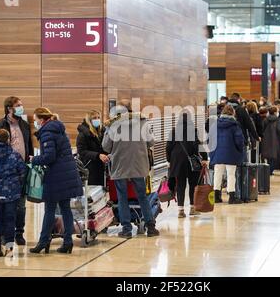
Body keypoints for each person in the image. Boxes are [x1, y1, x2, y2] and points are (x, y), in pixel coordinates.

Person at [29, 108, 83, 254]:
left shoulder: (47, 133)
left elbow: (49, 157)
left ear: (41, 119)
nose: (34, 122)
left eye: (35, 119)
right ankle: (67, 242)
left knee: (49, 210)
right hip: (66, 174)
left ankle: (43, 241)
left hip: (56, 176)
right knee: (65, 209)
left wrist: (34, 159)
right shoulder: (58, 129)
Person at [102, 101, 159, 238]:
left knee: (122, 198)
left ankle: (126, 229)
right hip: (139, 165)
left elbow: (106, 147)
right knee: (142, 197)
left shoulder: (113, 125)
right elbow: (151, 141)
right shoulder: (142, 122)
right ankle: (150, 227)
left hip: (120, 165)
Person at [0, 96, 33, 246]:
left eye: (21, 105)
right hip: (4, 173)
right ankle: (2, 236)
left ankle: (19, 232)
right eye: (18, 105)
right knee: (3, 207)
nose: (21, 107)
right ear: (9, 108)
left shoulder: (25, 125)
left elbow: (29, 146)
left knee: (21, 205)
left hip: (21, 170)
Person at [0, 129, 27, 258]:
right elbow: (23, 172)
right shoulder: (15, 155)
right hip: (12, 192)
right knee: (10, 220)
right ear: (8, 139)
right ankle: (9, 249)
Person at [166, 111, 208, 217]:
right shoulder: (193, 130)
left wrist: (169, 161)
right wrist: (204, 157)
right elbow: (197, 144)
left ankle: (180, 210)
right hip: (191, 160)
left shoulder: (174, 131)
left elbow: (168, 147)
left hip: (177, 160)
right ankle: (192, 208)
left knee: (180, 184)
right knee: (193, 184)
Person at [209, 105, 245, 204]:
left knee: (217, 174)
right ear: (232, 113)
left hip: (217, 153)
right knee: (231, 175)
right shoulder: (235, 125)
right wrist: (240, 149)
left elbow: (210, 140)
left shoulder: (214, 124)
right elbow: (239, 140)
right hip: (231, 153)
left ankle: (216, 196)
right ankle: (232, 197)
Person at [76, 110, 109, 185]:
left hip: (101, 166)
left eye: (98, 117)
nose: (97, 120)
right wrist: (98, 155)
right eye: (94, 118)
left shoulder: (102, 131)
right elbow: (81, 151)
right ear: (89, 120)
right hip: (89, 167)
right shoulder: (83, 134)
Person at [261, 107, 280, 175]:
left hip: (266, 139)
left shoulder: (265, 119)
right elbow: (279, 130)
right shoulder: (278, 120)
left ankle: (268, 169)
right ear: (275, 112)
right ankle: (271, 170)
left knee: (267, 155)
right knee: (274, 156)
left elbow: (263, 128)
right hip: (275, 139)